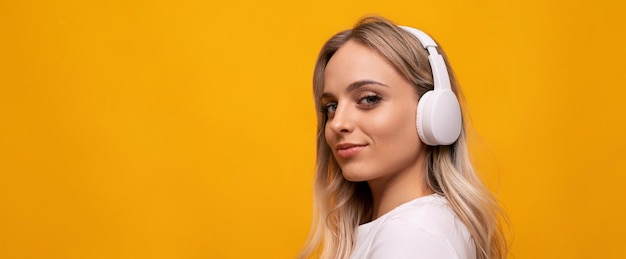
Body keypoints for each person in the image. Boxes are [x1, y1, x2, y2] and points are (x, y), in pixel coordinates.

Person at [299, 16, 507, 259]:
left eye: (369, 99)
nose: (338, 123)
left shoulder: (413, 235)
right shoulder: (414, 227)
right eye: (331, 106)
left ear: (432, 113)